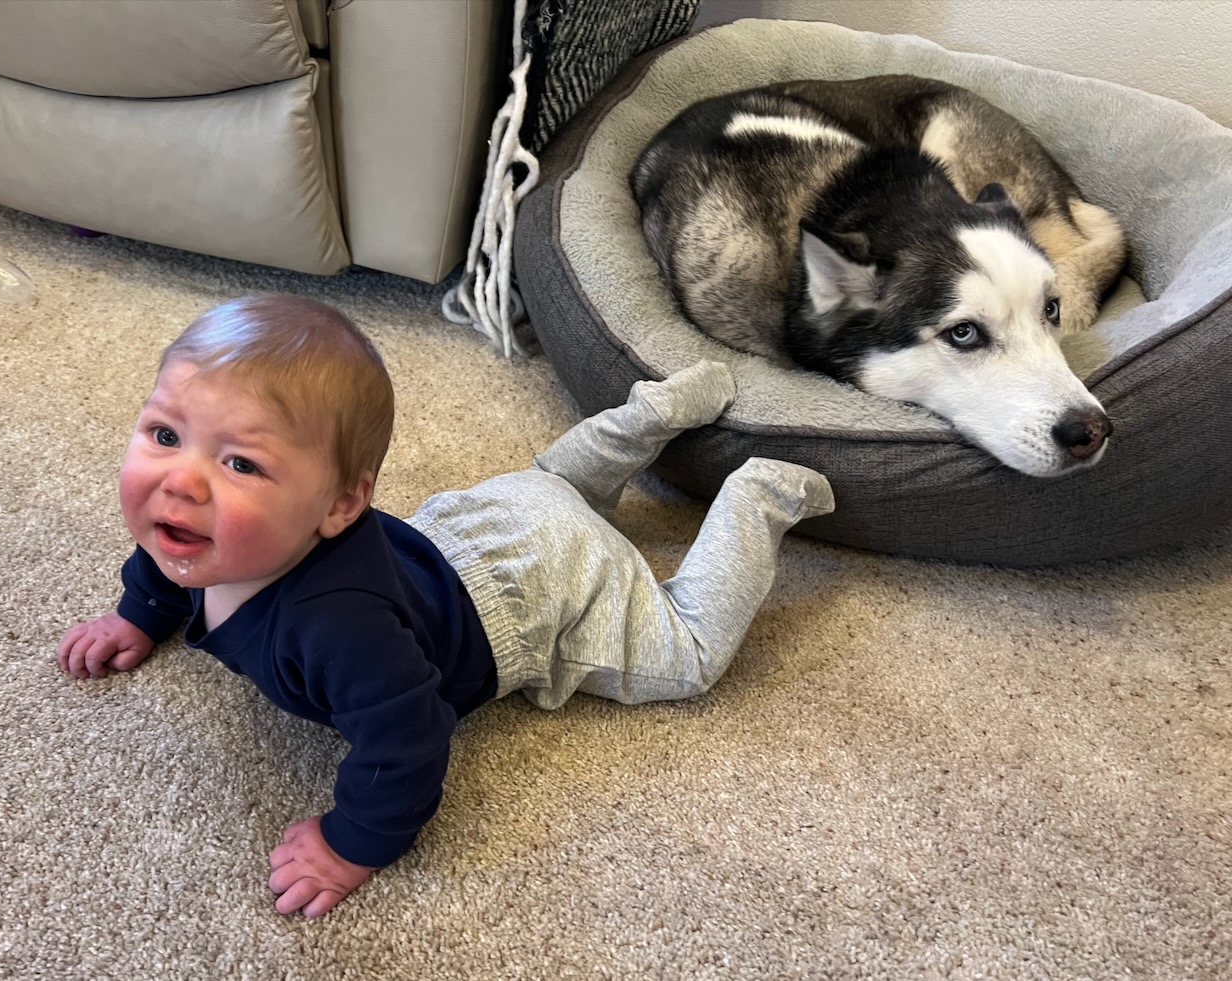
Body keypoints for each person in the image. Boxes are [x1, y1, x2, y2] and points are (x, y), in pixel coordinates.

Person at [56, 294, 835, 918]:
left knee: (687, 654)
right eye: (165, 433)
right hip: (487, 520)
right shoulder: (199, 535)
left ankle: (757, 494)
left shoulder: (340, 629)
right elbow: (165, 560)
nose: (180, 484)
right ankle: (651, 413)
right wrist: (136, 615)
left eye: (240, 462)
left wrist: (353, 842)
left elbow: (411, 740)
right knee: (557, 483)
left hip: (541, 589)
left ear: (341, 504)